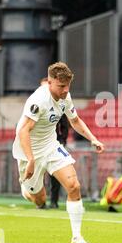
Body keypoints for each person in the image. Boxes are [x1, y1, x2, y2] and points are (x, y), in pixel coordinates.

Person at [12, 62, 104, 243]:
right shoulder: (39, 100)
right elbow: (23, 132)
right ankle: (26, 189)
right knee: (39, 199)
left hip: (51, 146)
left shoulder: (65, 97)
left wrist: (93, 139)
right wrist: (30, 160)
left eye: (67, 86)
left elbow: (75, 120)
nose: (65, 90)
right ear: (50, 82)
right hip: (28, 150)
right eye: (61, 86)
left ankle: (77, 237)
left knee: (73, 185)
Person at [40, 77, 70, 209]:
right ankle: (40, 201)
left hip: (53, 144)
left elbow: (65, 125)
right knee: (39, 174)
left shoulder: (59, 104)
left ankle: (54, 201)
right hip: (39, 145)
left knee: (54, 174)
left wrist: (62, 140)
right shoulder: (35, 104)